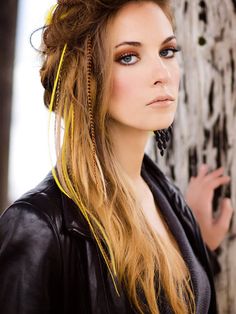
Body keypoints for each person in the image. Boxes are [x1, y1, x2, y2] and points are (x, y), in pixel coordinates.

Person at [0, 1, 233, 313]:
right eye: (129, 57)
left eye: (167, 51)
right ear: (87, 81)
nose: (162, 73)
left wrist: (197, 248)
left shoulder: (172, 205)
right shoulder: (37, 225)